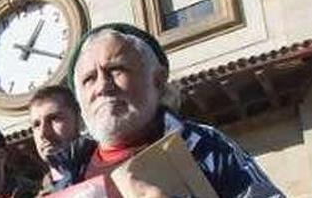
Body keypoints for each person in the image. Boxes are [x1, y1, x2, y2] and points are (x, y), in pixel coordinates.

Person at [48, 23, 281, 198]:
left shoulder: (205, 147)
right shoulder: (69, 177)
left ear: (157, 81)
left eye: (116, 70)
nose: (102, 86)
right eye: (89, 79)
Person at [28, 85, 83, 194]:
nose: (43, 133)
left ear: (79, 119)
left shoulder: (115, 172)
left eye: (54, 119)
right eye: (37, 124)